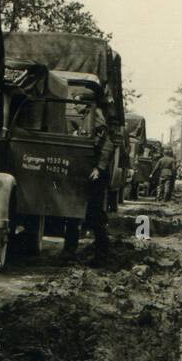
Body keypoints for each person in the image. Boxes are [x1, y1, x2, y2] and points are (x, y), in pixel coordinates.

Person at [64, 107, 115, 266]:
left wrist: (98, 168)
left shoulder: (96, 117)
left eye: (77, 101)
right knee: (73, 214)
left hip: (93, 175)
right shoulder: (86, 117)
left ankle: (101, 256)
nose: (74, 105)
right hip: (83, 172)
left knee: (95, 216)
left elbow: (107, 145)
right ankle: (69, 253)